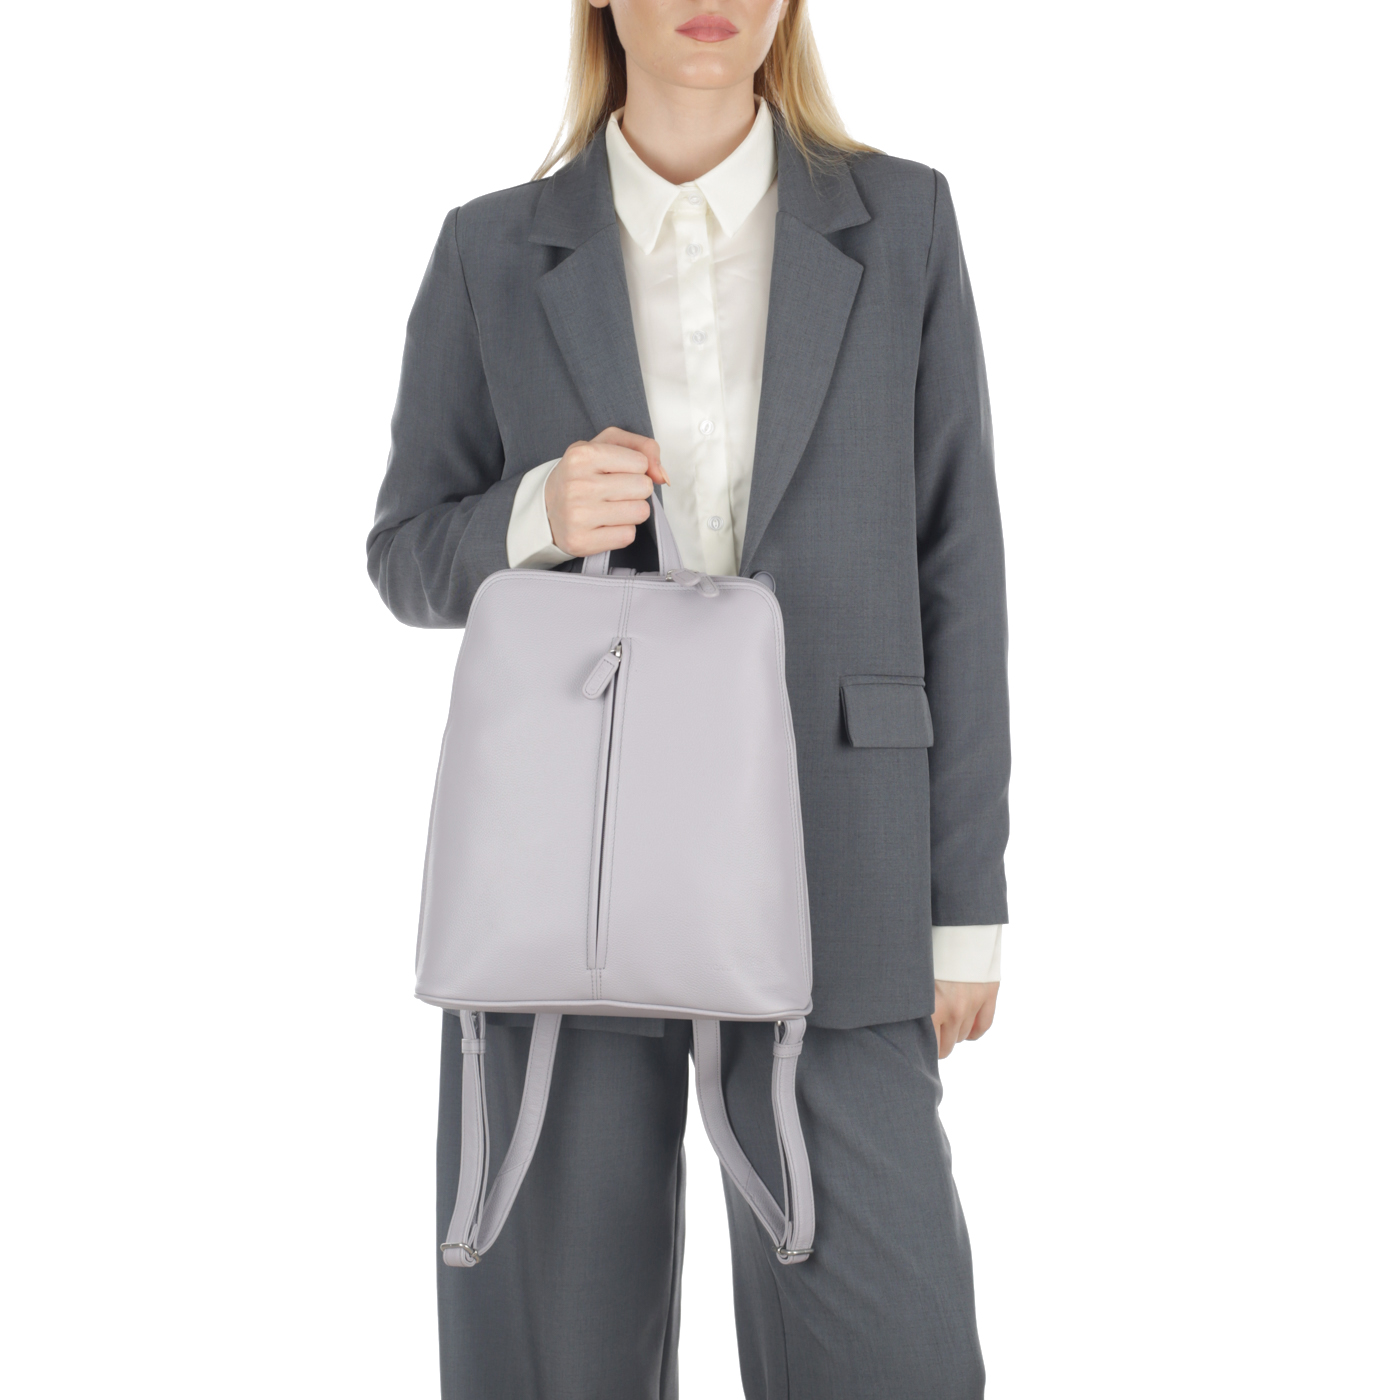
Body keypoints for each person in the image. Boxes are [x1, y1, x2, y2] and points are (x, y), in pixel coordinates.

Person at [367, 1, 1010, 1395]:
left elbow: (958, 562)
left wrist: (966, 902)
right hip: (565, 874)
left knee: (892, 1353)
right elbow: (406, 554)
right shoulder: (491, 248)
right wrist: (533, 514)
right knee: (554, 1360)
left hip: (843, 850)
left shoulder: (901, 223)